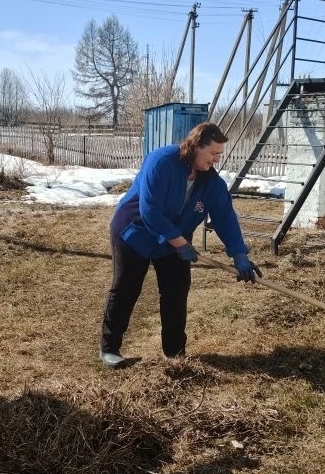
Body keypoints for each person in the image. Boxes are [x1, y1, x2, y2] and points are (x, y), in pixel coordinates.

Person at [100, 122, 260, 368]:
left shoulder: (211, 184)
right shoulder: (162, 161)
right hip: (134, 232)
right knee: (126, 289)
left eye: (219, 154)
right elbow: (150, 210)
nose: (217, 159)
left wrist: (239, 255)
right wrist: (180, 242)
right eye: (213, 153)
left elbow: (225, 217)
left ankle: (175, 353)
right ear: (196, 146)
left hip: (175, 242)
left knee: (176, 293)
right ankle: (110, 348)